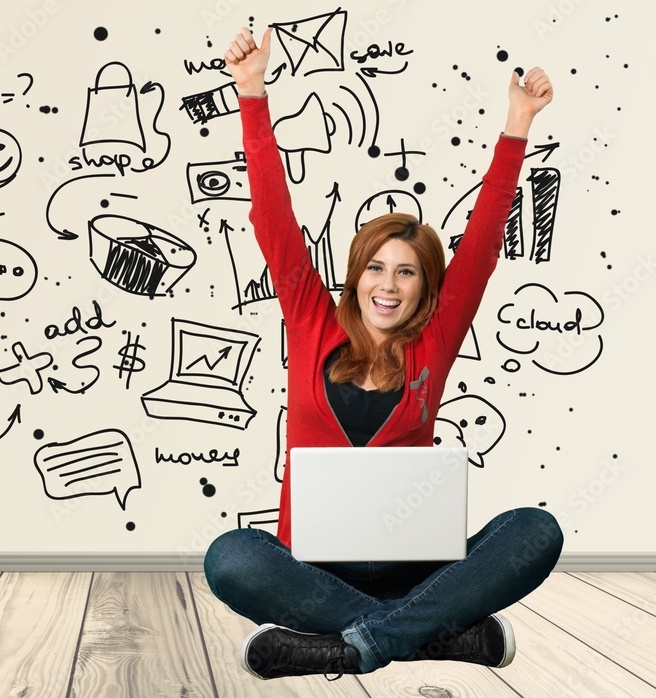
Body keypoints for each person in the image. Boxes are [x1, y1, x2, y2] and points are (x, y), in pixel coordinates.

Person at [203, 27, 563, 681]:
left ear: (426, 287)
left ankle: (353, 646)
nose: (388, 285)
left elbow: (481, 245)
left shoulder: (435, 341)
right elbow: (271, 215)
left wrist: (517, 126)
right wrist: (250, 92)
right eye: (376, 268)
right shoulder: (311, 319)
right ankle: (429, 634)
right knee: (231, 557)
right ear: (355, 274)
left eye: (406, 273)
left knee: (535, 530)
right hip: (313, 565)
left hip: (414, 562)